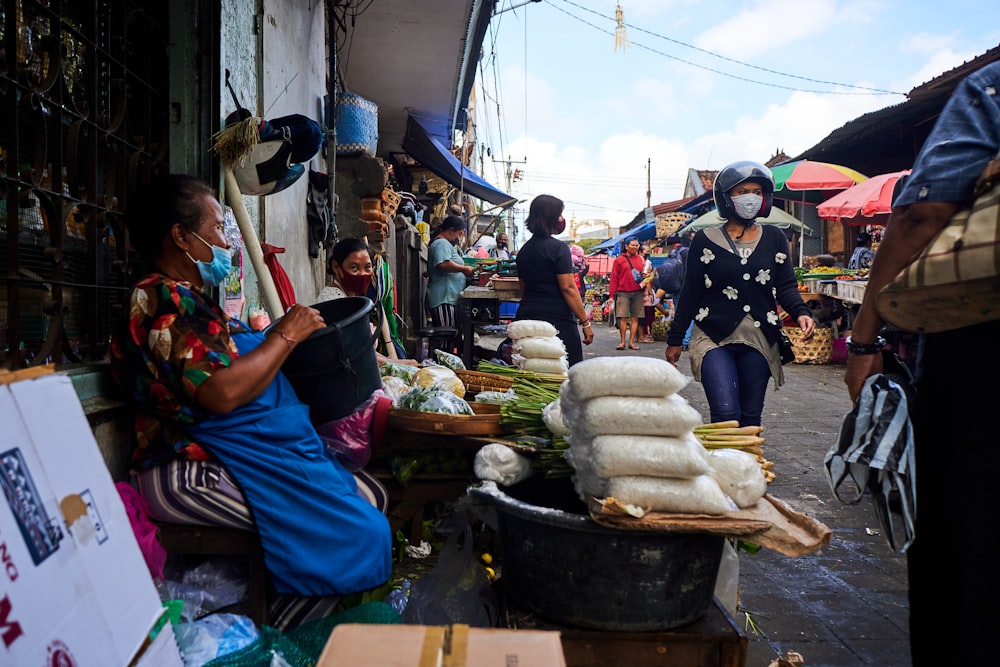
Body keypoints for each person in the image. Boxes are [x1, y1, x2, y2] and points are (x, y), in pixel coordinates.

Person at [110, 175, 392, 627]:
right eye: (218, 228)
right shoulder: (161, 299)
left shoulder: (195, 300)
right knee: (354, 529)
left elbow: (230, 364)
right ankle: (269, 636)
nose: (225, 241)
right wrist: (285, 334)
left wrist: (280, 343)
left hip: (234, 455)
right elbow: (221, 393)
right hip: (184, 470)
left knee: (368, 495)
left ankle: (288, 622)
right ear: (182, 237)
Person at [843, 61, 1000, 667]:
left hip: (983, 344)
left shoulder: (991, 89)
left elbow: (920, 215)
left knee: (970, 541)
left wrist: (863, 340)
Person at [665, 161, 815, 426]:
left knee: (749, 416)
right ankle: (725, 465)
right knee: (724, 413)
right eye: (743, 191)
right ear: (726, 197)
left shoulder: (775, 237)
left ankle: (746, 467)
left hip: (760, 337)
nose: (751, 198)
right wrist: (675, 338)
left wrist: (802, 312)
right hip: (713, 336)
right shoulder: (704, 239)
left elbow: (786, 286)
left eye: (758, 192)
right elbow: (691, 292)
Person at [514, 194, 594, 365]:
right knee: (568, 370)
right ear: (550, 217)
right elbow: (568, 288)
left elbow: (523, 288)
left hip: (527, 317)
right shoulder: (559, 248)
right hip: (558, 320)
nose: (561, 219)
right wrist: (585, 322)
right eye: (559, 214)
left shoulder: (524, 251)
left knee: (530, 371)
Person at [316, 237, 419, 367]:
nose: (362, 274)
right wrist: (398, 364)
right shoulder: (333, 300)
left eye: (367, 267)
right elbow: (354, 354)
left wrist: (397, 362)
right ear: (336, 267)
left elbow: (365, 350)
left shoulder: (351, 298)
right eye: (354, 268)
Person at [426, 214, 474, 329]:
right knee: (445, 336)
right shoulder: (441, 243)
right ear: (451, 230)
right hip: (443, 299)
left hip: (448, 299)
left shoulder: (445, 244)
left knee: (450, 335)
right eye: (459, 234)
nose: (459, 237)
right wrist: (464, 269)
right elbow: (443, 264)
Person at [608, 237, 646, 350]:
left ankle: (631, 342)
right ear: (626, 246)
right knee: (622, 317)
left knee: (635, 318)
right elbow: (614, 278)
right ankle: (623, 341)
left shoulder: (641, 259)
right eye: (633, 245)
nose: (635, 247)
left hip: (638, 292)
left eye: (637, 245)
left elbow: (646, 275)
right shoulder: (619, 260)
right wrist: (611, 295)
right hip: (623, 292)